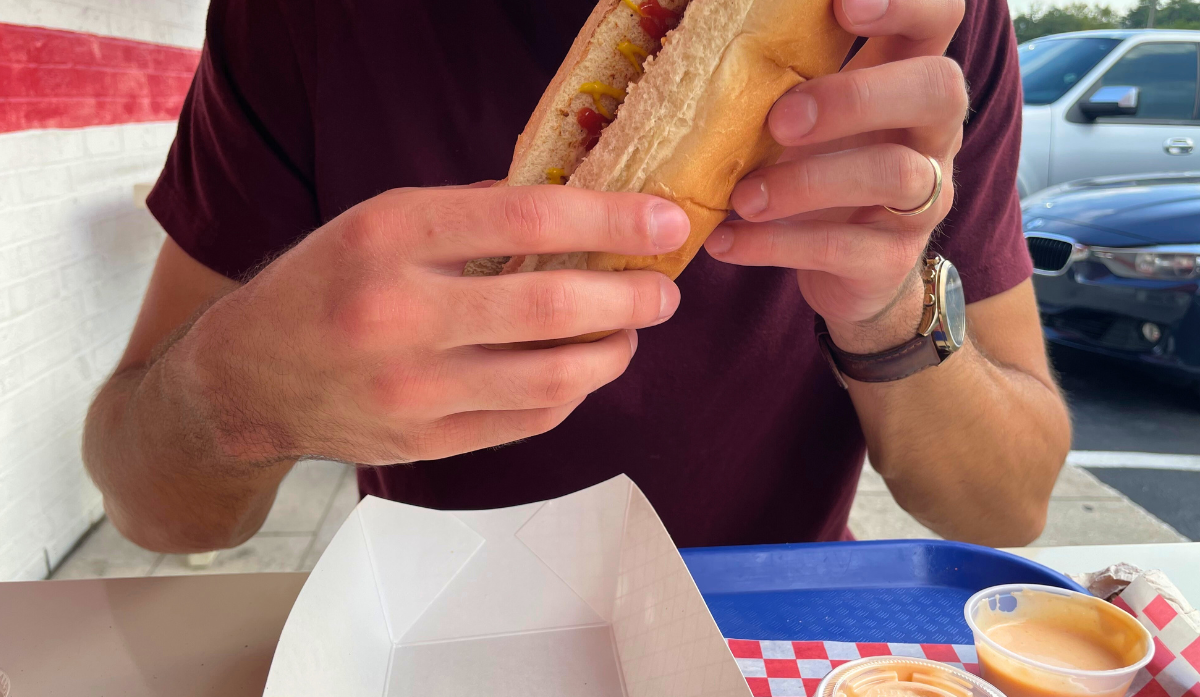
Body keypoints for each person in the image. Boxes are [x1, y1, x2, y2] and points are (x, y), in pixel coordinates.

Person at [82, 0, 1071, 555]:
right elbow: (154, 504)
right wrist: (242, 397)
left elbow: (1007, 507)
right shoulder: (301, 19)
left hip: (777, 640)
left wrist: (887, 309)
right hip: (434, 635)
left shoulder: (918, 24)